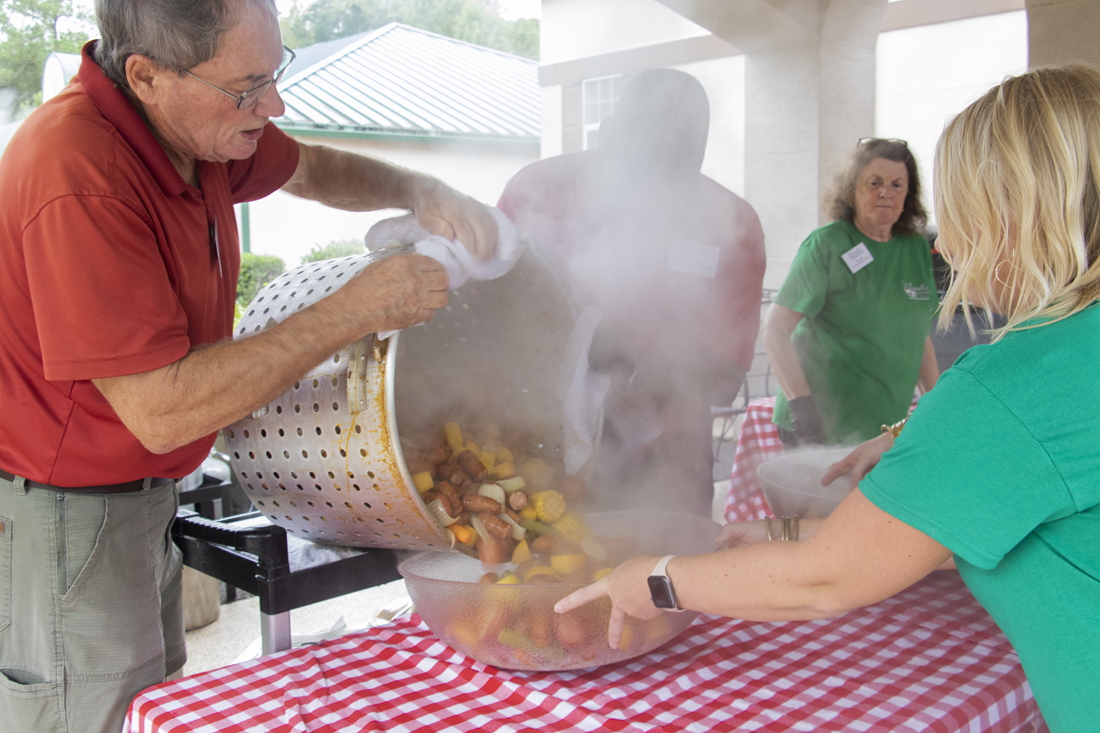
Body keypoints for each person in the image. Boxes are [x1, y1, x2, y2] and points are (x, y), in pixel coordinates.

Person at [0, 1, 497, 731]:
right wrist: (353, 310)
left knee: (150, 708)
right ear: (146, 75)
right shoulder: (77, 172)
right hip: (71, 516)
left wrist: (421, 190)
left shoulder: (192, 126)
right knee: (95, 716)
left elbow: (313, 168)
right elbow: (162, 408)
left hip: (140, 497)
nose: (274, 103)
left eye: (275, 70)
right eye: (246, 87)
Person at [558, 65, 1100, 732]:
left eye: (964, 214)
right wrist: (777, 530)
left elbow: (823, 578)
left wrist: (652, 577)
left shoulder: (1017, 385)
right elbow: (935, 533)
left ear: (1019, 214)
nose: (951, 246)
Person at [498, 69, 765, 517]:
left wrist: (643, 389)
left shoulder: (732, 224)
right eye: (642, 164)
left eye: (672, 167)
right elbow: (488, 308)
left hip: (668, 458)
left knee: (668, 576)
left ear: (698, 153)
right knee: (537, 575)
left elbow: (724, 374)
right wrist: (576, 357)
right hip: (537, 437)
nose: (652, 192)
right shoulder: (537, 191)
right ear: (609, 132)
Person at [766, 138, 939, 447]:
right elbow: (777, 328)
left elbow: (919, 336)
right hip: (820, 426)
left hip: (883, 428)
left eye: (898, 185)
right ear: (851, 189)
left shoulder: (915, 248)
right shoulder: (827, 245)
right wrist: (802, 409)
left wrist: (938, 402)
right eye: (874, 183)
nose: (886, 192)